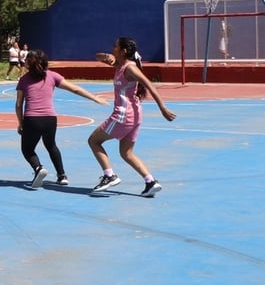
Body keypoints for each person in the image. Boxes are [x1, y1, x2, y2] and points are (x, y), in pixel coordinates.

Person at [88, 37, 177, 197]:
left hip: (123, 115)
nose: (112, 48)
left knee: (94, 141)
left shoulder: (130, 68)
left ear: (123, 51)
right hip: (135, 116)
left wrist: (162, 108)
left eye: (115, 46)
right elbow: (98, 56)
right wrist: (105, 56)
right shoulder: (120, 65)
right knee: (126, 153)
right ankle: (150, 182)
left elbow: (149, 84)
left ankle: (109, 176)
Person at [15, 48, 107, 188]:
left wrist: (21, 124)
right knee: (51, 145)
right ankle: (62, 175)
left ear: (28, 63)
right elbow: (75, 89)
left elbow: (18, 104)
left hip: (32, 119)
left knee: (27, 149)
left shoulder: (24, 80)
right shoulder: (52, 76)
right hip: (50, 119)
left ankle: (38, 168)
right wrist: (94, 98)